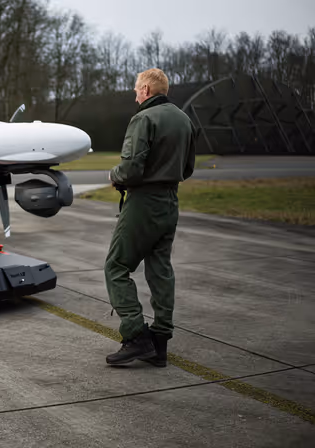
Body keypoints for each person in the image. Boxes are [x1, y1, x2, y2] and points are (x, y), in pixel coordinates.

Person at [104, 68, 196, 367]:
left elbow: (131, 169)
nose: (135, 95)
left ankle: (136, 336)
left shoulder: (143, 118)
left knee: (116, 266)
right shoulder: (184, 120)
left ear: (145, 89)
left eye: (136, 89)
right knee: (160, 270)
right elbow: (188, 168)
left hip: (144, 202)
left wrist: (114, 175)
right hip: (170, 202)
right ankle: (160, 342)